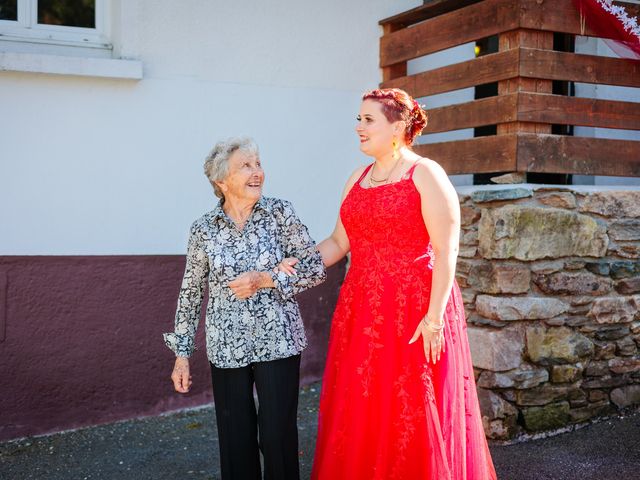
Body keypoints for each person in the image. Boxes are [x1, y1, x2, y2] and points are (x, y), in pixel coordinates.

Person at [282, 88, 497, 479]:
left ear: (398, 126)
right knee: (363, 407)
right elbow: (338, 242)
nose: (358, 128)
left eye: (368, 121)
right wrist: (289, 269)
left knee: (410, 409)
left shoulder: (425, 174)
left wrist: (433, 319)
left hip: (414, 311)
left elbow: (446, 250)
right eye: (358, 119)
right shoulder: (358, 177)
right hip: (362, 309)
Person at [163, 136, 325, 480]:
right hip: (226, 347)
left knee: (277, 436)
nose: (257, 173)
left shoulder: (280, 213)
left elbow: (314, 267)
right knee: (236, 443)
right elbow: (191, 291)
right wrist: (182, 354)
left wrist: (266, 279)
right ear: (221, 181)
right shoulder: (203, 229)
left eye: (258, 164)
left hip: (278, 341)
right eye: (246, 166)